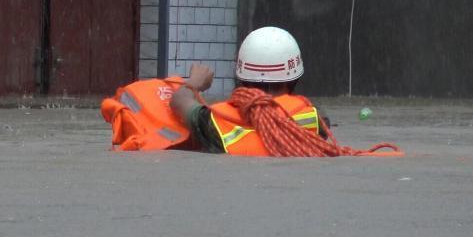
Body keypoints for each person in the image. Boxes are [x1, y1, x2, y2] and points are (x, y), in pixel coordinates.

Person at [103, 26, 399, 156]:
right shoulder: (314, 122)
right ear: (295, 81)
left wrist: (195, 82)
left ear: (241, 81)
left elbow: (180, 101)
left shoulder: (215, 124)